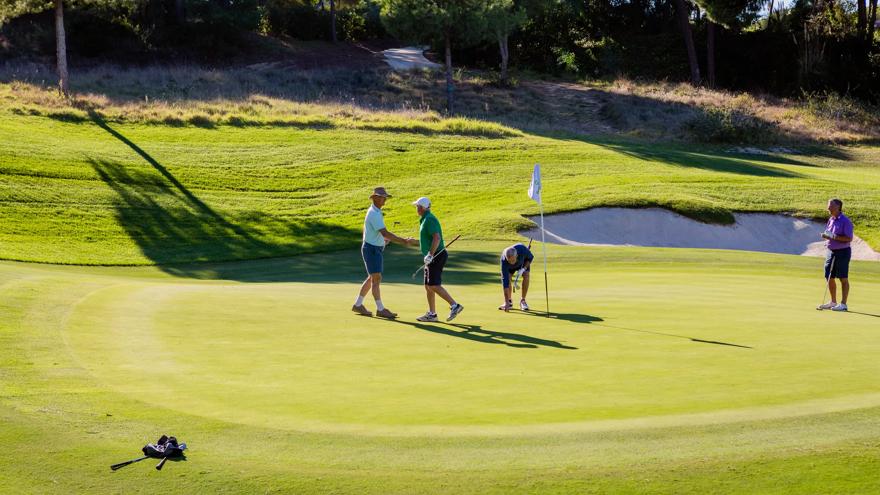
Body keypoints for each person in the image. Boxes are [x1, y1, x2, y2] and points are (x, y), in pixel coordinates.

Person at [352, 187, 415, 319]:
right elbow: (385, 233)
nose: (384, 200)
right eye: (382, 197)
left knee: (372, 278)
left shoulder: (376, 212)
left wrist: (382, 241)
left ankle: (358, 305)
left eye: (385, 197)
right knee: (376, 279)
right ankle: (380, 309)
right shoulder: (374, 213)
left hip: (373, 248)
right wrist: (403, 241)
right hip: (372, 249)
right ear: (374, 198)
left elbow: (373, 232)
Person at [412, 197, 464, 322]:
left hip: (437, 255)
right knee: (428, 286)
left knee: (433, 285)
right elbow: (428, 239)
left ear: (422, 208)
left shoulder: (429, 219)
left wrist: (430, 254)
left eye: (417, 206)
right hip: (431, 256)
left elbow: (437, 238)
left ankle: (454, 305)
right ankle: (432, 314)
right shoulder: (425, 219)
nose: (416, 208)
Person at [816, 198, 854, 312]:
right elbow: (830, 233)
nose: (828, 208)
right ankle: (833, 301)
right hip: (830, 251)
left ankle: (843, 304)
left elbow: (849, 238)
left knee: (843, 278)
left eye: (830, 206)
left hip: (842, 252)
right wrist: (826, 236)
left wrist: (833, 237)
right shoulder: (831, 219)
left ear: (838, 207)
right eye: (828, 205)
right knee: (828, 276)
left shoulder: (845, 221)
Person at [499, 243, 534, 311]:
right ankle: (509, 302)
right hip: (509, 268)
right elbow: (505, 282)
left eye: (513, 260)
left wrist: (523, 269)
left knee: (526, 275)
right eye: (509, 261)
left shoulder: (522, 249)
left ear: (517, 255)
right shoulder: (504, 261)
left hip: (522, 264)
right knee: (508, 278)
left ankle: (523, 301)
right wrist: (506, 302)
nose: (511, 262)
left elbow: (530, 258)